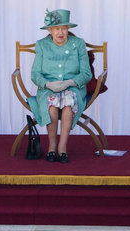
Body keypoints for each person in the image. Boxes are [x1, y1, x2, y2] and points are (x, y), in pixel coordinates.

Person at [28, 9, 92, 163]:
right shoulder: (42, 45)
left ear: (68, 29)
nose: (61, 32)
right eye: (57, 29)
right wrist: (48, 83)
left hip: (73, 87)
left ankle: (62, 148)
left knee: (68, 104)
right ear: (50, 30)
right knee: (52, 106)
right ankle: (52, 146)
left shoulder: (78, 44)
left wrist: (69, 83)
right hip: (48, 88)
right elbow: (35, 75)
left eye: (64, 28)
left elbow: (86, 73)